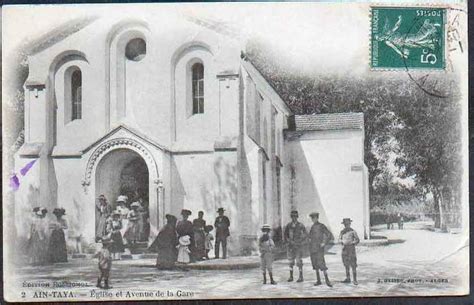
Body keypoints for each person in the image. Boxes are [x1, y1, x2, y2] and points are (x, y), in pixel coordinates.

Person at [308, 212, 333, 287]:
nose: (313, 219)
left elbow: (329, 235)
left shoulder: (322, 226)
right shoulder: (312, 227)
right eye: (312, 218)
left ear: (317, 218)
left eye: (314, 218)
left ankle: (327, 280)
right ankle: (318, 280)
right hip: (313, 248)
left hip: (319, 248)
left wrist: (324, 243)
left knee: (322, 263)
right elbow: (310, 236)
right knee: (315, 264)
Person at [283, 210, 307, 282]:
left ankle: (301, 277)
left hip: (298, 246)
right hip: (290, 246)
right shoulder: (288, 225)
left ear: (297, 217)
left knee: (299, 261)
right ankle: (291, 276)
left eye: (295, 216)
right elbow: (285, 235)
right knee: (290, 262)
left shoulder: (301, 225)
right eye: (292, 216)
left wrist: (300, 241)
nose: (294, 218)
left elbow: (305, 234)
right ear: (291, 217)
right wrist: (288, 241)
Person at [339, 218, 360, 285]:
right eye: (345, 224)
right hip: (344, 250)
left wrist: (352, 243)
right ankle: (348, 278)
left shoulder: (353, 231)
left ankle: (355, 279)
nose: (346, 225)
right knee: (346, 264)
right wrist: (341, 241)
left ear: (350, 224)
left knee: (353, 264)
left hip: (351, 249)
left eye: (347, 224)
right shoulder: (342, 232)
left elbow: (357, 240)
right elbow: (339, 239)